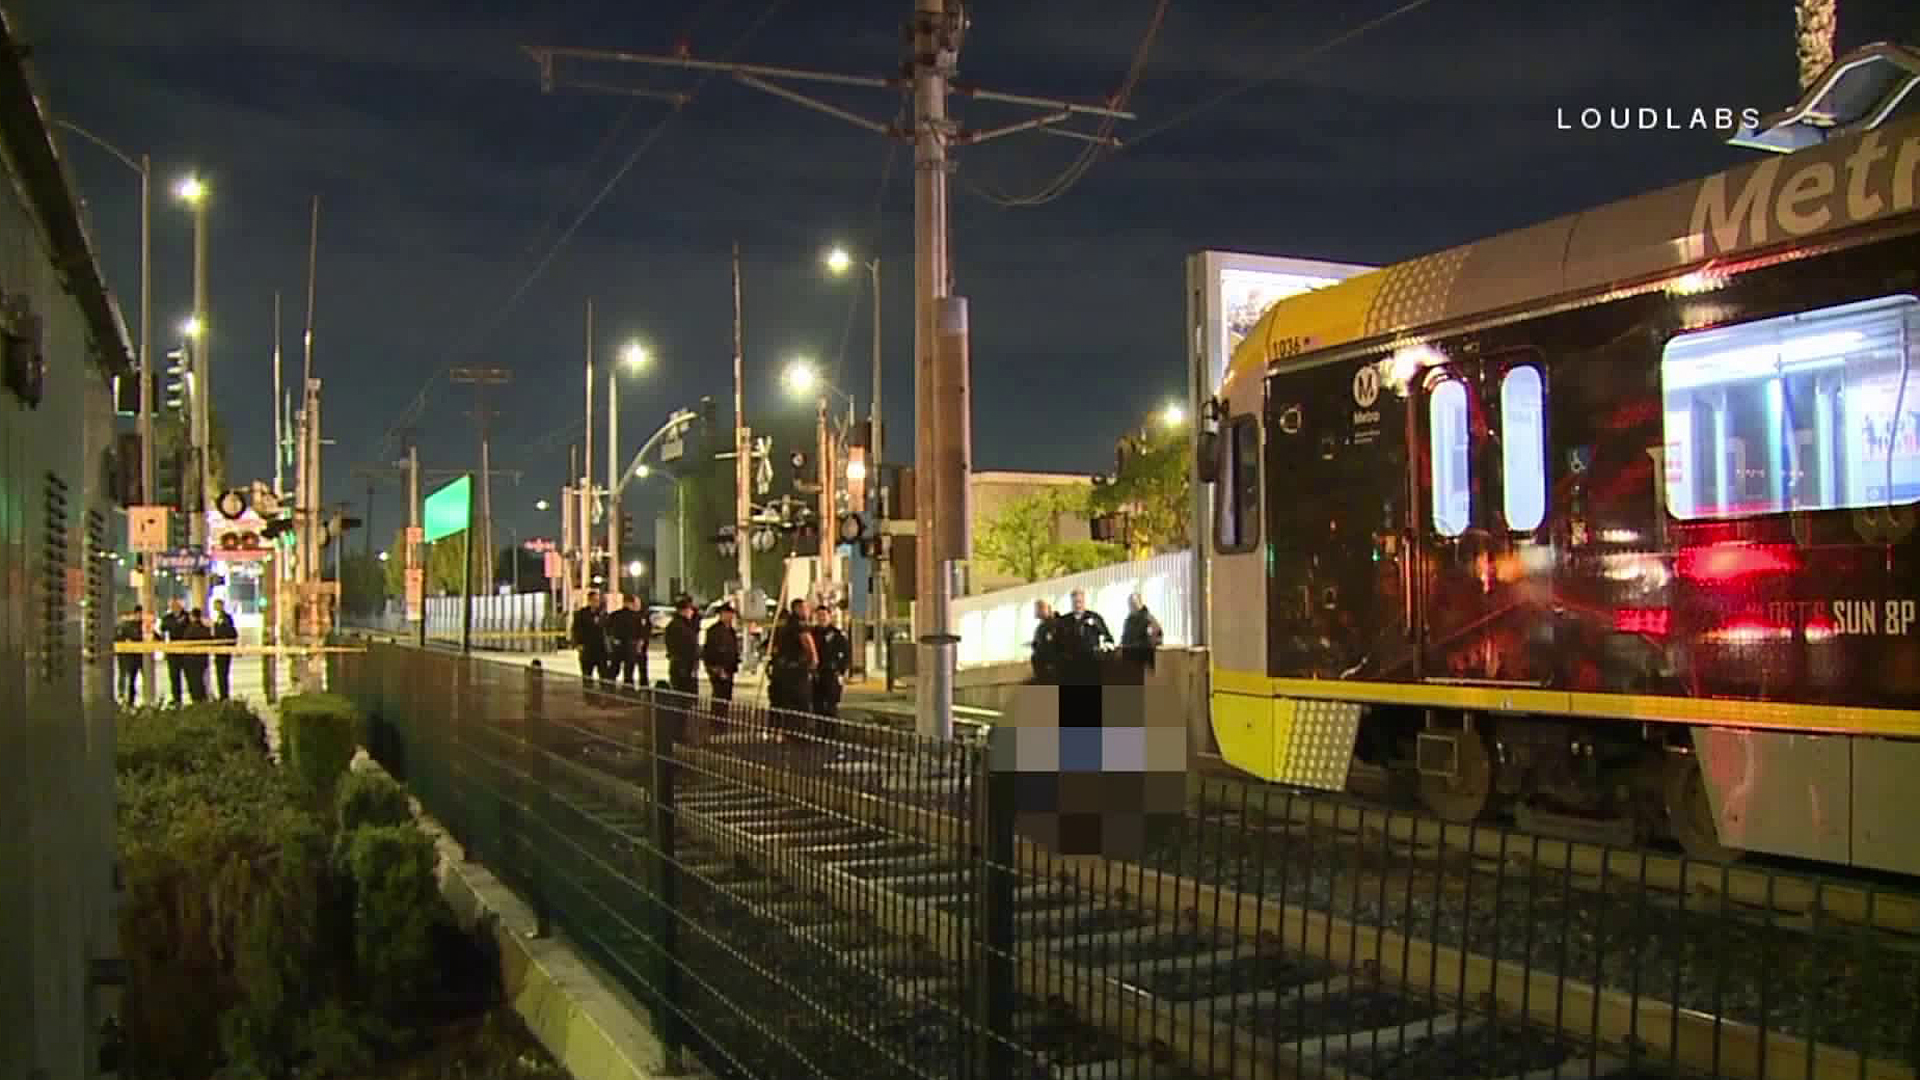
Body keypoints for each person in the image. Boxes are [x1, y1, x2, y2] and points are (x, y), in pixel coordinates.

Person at [768, 598, 818, 719]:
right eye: (805, 608)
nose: (808, 611)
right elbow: (809, 645)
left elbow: (772, 649)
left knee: (783, 706)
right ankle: (798, 733)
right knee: (800, 706)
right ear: (798, 609)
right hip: (797, 672)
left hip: (781, 671)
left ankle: (782, 732)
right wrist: (813, 663)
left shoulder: (782, 626)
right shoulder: (799, 625)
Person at [1059, 589, 1114, 685]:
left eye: (1080, 602)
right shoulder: (1064, 621)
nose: (1078, 605)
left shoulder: (1095, 617)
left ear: (1084, 601)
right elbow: (1058, 642)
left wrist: (1105, 648)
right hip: (1071, 667)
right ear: (1071, 602)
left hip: (1091, 664)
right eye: (1075, 602)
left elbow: (1107, 637)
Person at [809, 603, 851, 722]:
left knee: (831, 705)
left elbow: (846, 654)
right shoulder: (812, 633)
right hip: (816, 674)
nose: (821, 618)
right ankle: (819, 731)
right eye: (819, 615)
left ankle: (831, 732)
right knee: (817, 705)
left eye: (824, 615)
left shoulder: (837, 634)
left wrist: (841, 671)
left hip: (831, 673)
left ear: (829, 616)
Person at [703, 602, 741, 715]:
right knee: (719, 695)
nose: (729, 616)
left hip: (729, 667)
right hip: (718, 668)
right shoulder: (714, 631)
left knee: (727, 695)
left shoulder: (731, 631)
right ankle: (717, 720)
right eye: (726, 614)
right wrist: (714, 668)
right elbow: (709, 651)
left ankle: (723, 718)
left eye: (730, 614)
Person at [605, 593, 649, 689]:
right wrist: (639, 647)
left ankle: (608, 691)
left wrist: (610, 646)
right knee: (629, 672)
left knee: (613, 670)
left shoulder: (614, 615)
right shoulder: (637, 617)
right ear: (631, 603)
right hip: (630, 647)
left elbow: (607, 633)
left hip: (617, 646)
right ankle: (628, 692)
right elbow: (641, 635)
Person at [1119, 592, 1164, 677]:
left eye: (1133, 603)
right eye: (1130, 604)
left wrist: (1138, 647)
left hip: (1143, 662)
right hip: (1130, 660)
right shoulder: (1128, 620)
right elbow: (1124, 637)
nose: (1131, 606)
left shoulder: (1148, 619)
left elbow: (1156, 639)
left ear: (1140, 603)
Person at [665, 594, 701, 695]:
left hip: (687, 663)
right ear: (684, 611)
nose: (692, 612)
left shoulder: (686, 624)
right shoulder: (678, 626)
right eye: (690, 610)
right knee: (683, 691)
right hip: (682, 664)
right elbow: (681, 646)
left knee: (688, 692)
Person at [570, 589, 608, 685]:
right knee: (587, 676)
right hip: (587, 649)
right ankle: (588, 696)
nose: (597, 603)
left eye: (598, 600)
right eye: (594, 600)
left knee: (604, 676)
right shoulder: (581, 614)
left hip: (601, 650)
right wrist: (578, 644)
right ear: (589, 601)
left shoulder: (603, 614)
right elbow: (575, 630)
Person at [115, 605, 147, 705]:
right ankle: (129, 699)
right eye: (138, 613)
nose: (140, 616)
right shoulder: (127, 625)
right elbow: (119, 638)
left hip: (142, 655)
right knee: (130, 678)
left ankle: (146, 696)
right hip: (130, 656)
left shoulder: (145, 625)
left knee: (145, 676)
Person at [180, 608, 213, 704]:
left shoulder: (191, 628)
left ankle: (197, 701)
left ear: (192, 616)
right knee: (199, 681)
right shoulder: (205, 628)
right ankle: (202, 700)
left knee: (194, 683)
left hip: (191, 660)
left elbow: (186, 640)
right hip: (202, 659)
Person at [159, 598, 188, 706]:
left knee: (190, 676)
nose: (174, 608)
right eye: (172, 606)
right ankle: (176, 699)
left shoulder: (187, 617)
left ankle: (196, 700)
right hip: (172, 651)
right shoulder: (167, 618)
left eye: (176, 605)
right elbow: (163, 629)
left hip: (186, 651)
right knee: (174, 676)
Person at [1030, 599, 1065, 684]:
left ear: (1048, 608)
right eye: (1036, 609)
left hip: (1053, 668)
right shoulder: (1041, 627)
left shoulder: (1056, 624)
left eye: (1040, 608)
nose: (1037, 611)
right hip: (1043, 670)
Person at [210, 598, 238, 700]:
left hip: (224, 650)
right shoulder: (217, 618)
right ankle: (222, 694)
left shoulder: (226, 618)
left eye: (216, 605)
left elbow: (230, 632)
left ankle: (224, 695)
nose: (215, 607)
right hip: (219, 650)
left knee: (223, 673)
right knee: (220, 673)